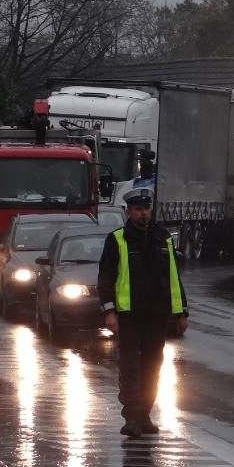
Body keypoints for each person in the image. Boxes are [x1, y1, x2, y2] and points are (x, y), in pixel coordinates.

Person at [97, 187, 189, 438]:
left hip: (157, 314)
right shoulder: (117, 239)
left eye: (146, 209)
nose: (144, 213)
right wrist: (109, 311)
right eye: (138, 209)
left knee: (152, 367)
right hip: (129, 315)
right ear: (129, 212)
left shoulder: (163, 238)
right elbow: (106, 277)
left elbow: (173, 276)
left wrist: (182, 312)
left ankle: (145, 414)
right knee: (131, 367)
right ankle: (132, 417)